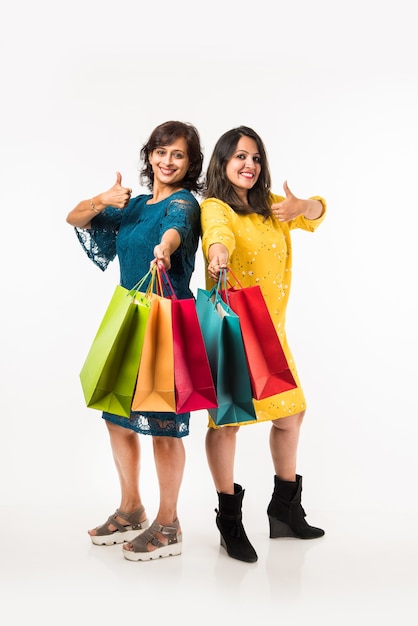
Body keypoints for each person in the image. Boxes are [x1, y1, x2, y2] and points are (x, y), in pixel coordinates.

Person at [66, 120, 203, 561]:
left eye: (178, 155)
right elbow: (75, 218)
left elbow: (177, 227)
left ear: (188, 164)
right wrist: (101, 199)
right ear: (149, 156)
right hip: (130, 317)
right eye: (161, 152)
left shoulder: (185, 203)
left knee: (164, 426)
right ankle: (131, 508)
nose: (167, 161)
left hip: (165, 323)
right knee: (116, 417)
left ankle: (169, 522)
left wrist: (165, 247)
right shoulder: (136, 204)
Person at [200, 125, 326, 563]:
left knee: (292, 414)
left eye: (255, 157)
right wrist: (217, 255)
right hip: (235, 330)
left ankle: (284, 509)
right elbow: (219, 233)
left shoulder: (273, 207)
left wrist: (302, 205)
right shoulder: (216, 207)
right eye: (239, 157)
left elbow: (317, 213)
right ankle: (229, 520)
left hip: (272, 331)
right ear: (222, 163)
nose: (249, 165)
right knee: (227, 423)